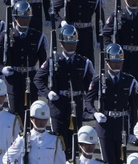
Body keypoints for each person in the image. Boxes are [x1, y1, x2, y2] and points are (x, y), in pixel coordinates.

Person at [84, 43, 138, 164]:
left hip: (122, 126)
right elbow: (88, 101)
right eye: (114, 61)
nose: (117, 65)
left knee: (121, 161)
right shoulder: (98, 80)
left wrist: (133, 131)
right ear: (107, 62)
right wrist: (94, 113)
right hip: (105, 127)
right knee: (109, 163)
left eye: (119, 62)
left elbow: (133, 109)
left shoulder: (130, 81)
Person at [33, 23, 95, 153]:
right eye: (68, 43)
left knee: (75, 144)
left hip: (76, 106)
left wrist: (88, 106)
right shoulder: (53, 61)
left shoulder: (84, 62)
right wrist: (47, 93)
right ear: (61, 44)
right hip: (58, 106)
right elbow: (38, 79)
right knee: (59, 142)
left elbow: (92, 85)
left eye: (73, 43)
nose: (71, 46)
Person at [0, 0, 48, 115]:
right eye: (21, 18)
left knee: (32, 112)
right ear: (15, 18)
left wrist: (42, 83)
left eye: (27, 18)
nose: (25, 20)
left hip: (31, 78)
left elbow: (44, 63)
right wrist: (1, 68)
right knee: (15, 113)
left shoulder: (38, 36)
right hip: (13, 78)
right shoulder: (7, 35)